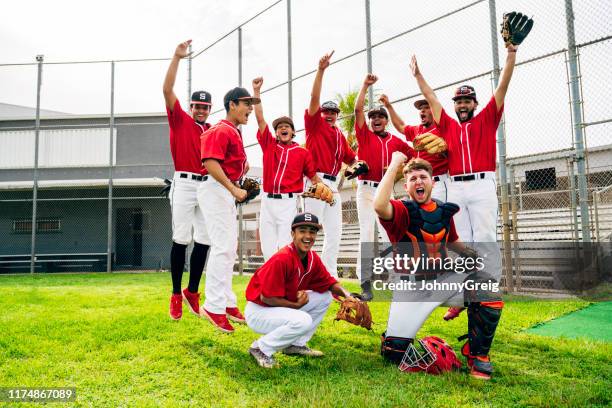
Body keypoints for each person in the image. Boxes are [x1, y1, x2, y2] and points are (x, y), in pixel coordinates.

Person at [409, 43, 516, 320]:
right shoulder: (447, 125)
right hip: (455, 185)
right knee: (460, 241)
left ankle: (488, 293)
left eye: (467, 100)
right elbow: (431, 98)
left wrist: (511, 54)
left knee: (485, 239)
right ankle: (464, 294)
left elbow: (502, 87)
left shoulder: (487, 118)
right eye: (458, 101)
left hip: (482, 184)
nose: (462, 104)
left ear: (475, 104)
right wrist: (418, 76)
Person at [374, 153, 503, 380]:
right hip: (411, 290)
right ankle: (396, 337)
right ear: (406, 186)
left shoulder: (444, 211)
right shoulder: (402, 210)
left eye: (423, 177)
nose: (418, 182)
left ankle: (478, 356)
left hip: (442, 280)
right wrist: (395, 163)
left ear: (432, 182)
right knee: (394, 354)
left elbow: (452, 240)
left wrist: (472, 260)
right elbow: (379, 205)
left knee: (487, 288)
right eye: (413, 179)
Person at [244, 212, 355, 368]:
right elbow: (266, 298)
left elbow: (329, 283)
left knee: (325, 296)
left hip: (277, 307)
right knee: (303, 320)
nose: (307, 236)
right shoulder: (282, 258)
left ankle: (295, 345)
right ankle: (260, 348)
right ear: (292, 234)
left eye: (312, 231)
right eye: (302, 230)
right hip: (259, 311)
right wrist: (296, 306)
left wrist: (349, 295)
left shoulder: (312, 258)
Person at [197, 86, 260, 333]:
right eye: (246, 104)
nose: (250, 109)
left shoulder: (233, 131)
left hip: (222, 190)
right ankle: (213, 306)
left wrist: (240, 174)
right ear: (232, 104)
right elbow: (210, 162)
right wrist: (234, 189)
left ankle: (226, 303)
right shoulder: (222, 129)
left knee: (229, 248)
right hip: (215, 189)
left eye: (252, 104)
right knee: (223, 247)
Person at [162, 39, 212, 320]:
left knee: (204, 238)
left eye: (205, 107)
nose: (201, 110)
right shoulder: (180, 119)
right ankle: (175, 294)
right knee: (181, 238)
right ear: (191, 106)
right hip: (183, 182)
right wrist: (177, 57)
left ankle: (192, 290)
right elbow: (167, 89)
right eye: (197, 105)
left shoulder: (213, 130)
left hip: (205, 185)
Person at [353, 74, 413, 300]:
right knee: (366, 233)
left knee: (390, 234)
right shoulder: (365, 136)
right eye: (373, 117)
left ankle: (396, 279)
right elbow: (358, 110)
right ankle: (366, 283)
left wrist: (400, 169)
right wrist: (365, 85)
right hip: (366, 190)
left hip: (385, 191)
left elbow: (413, 155)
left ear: (386, 121)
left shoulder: (396, 141)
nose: (375, 119)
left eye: (380, 116)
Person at [251, 77, 323, 260]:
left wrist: (325, 188)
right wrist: (256, 92)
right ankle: (270, 285)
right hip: (267, 200)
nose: (283, 128)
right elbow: (260, 119)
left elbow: (313, 177)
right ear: (276, 133)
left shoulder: (302, 152)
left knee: (284, 246)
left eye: (286, 127)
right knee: (267, 247)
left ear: (292, 132)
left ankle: (285, 283)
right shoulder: (269, 145)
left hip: (288, 203)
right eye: (279, 127)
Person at [303, 51, 357, 277]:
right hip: (315, 180)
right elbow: (314, 99)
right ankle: (303, 271)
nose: (329, 114)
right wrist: (320, 70)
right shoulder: (315, 126)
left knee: (335, 231)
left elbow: (352, 159)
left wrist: (360, 164)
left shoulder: (339, 135)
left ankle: (329, 275)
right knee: (309, 229)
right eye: (326, 111)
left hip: (334, 185)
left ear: (337, 115)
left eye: (333, 112)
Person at [380, 94, 449, 201]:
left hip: (437, 183)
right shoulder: (417, 130)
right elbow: (401, 126)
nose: (422, 110)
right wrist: (388, 106)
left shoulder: (443, 129)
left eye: (427, 108)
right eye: (421, 108)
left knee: (438, 216)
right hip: (418, 184)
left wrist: (445, 151)